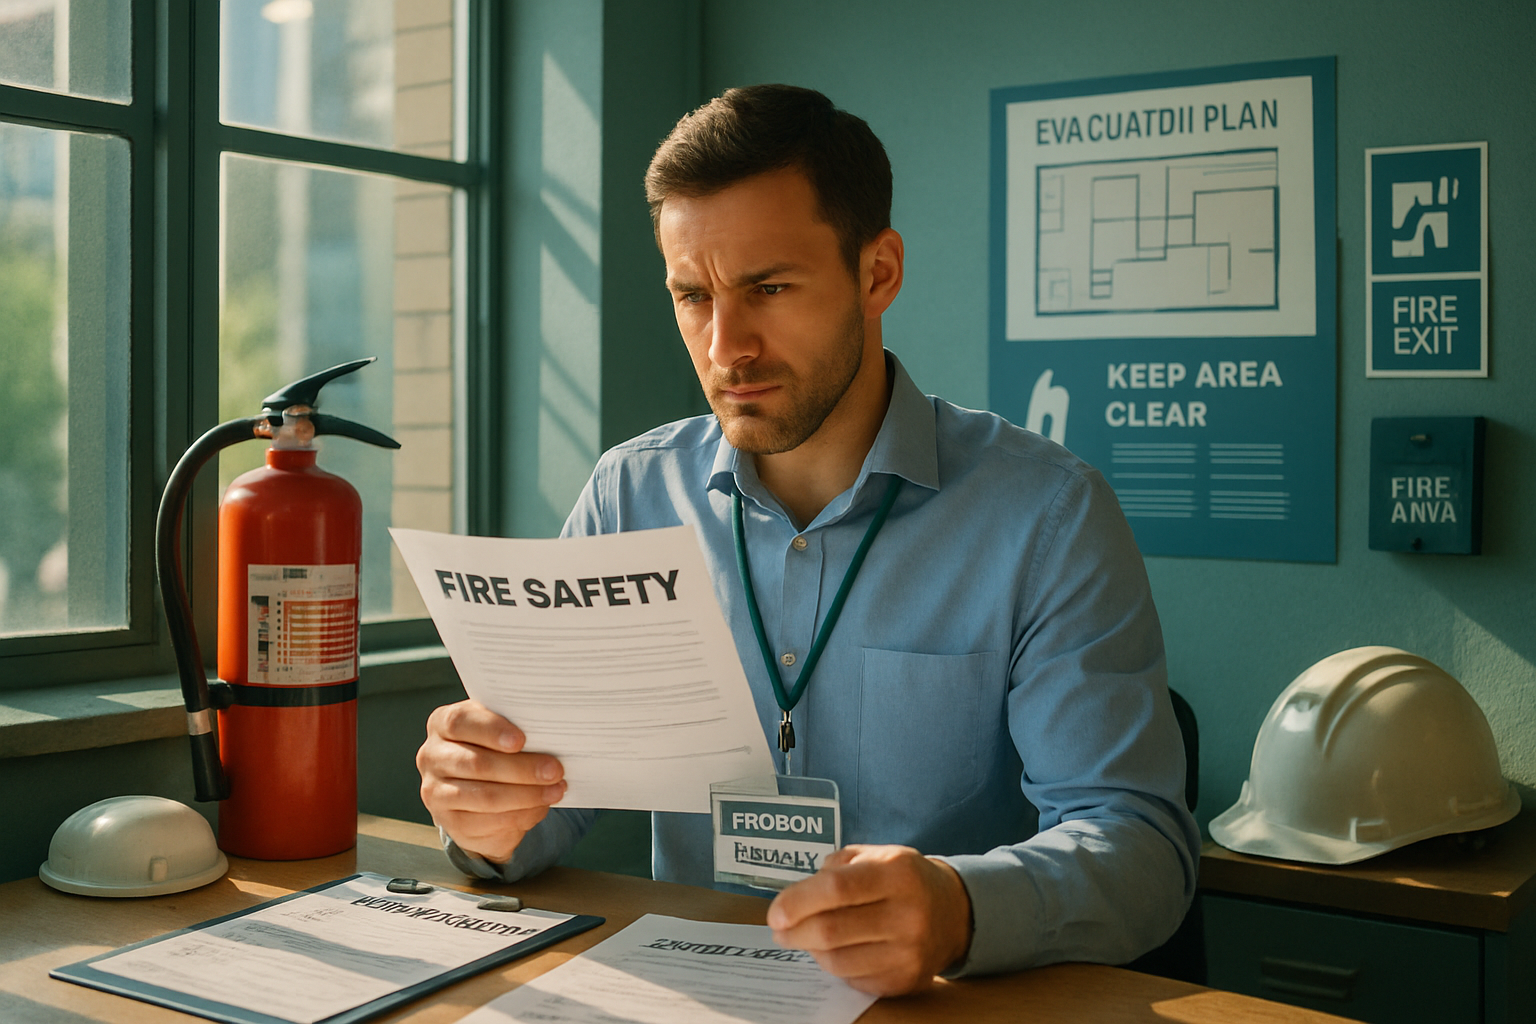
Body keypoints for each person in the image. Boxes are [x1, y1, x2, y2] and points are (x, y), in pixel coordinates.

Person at [417, 83, 1200, 996]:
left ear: (879, 273)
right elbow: (545, 808)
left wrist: (959, 906)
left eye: (769, 289)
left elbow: (1142, 847)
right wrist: (485, 816)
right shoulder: (630, 494)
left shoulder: (1046, 516)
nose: (725, 346)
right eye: (692, 296)